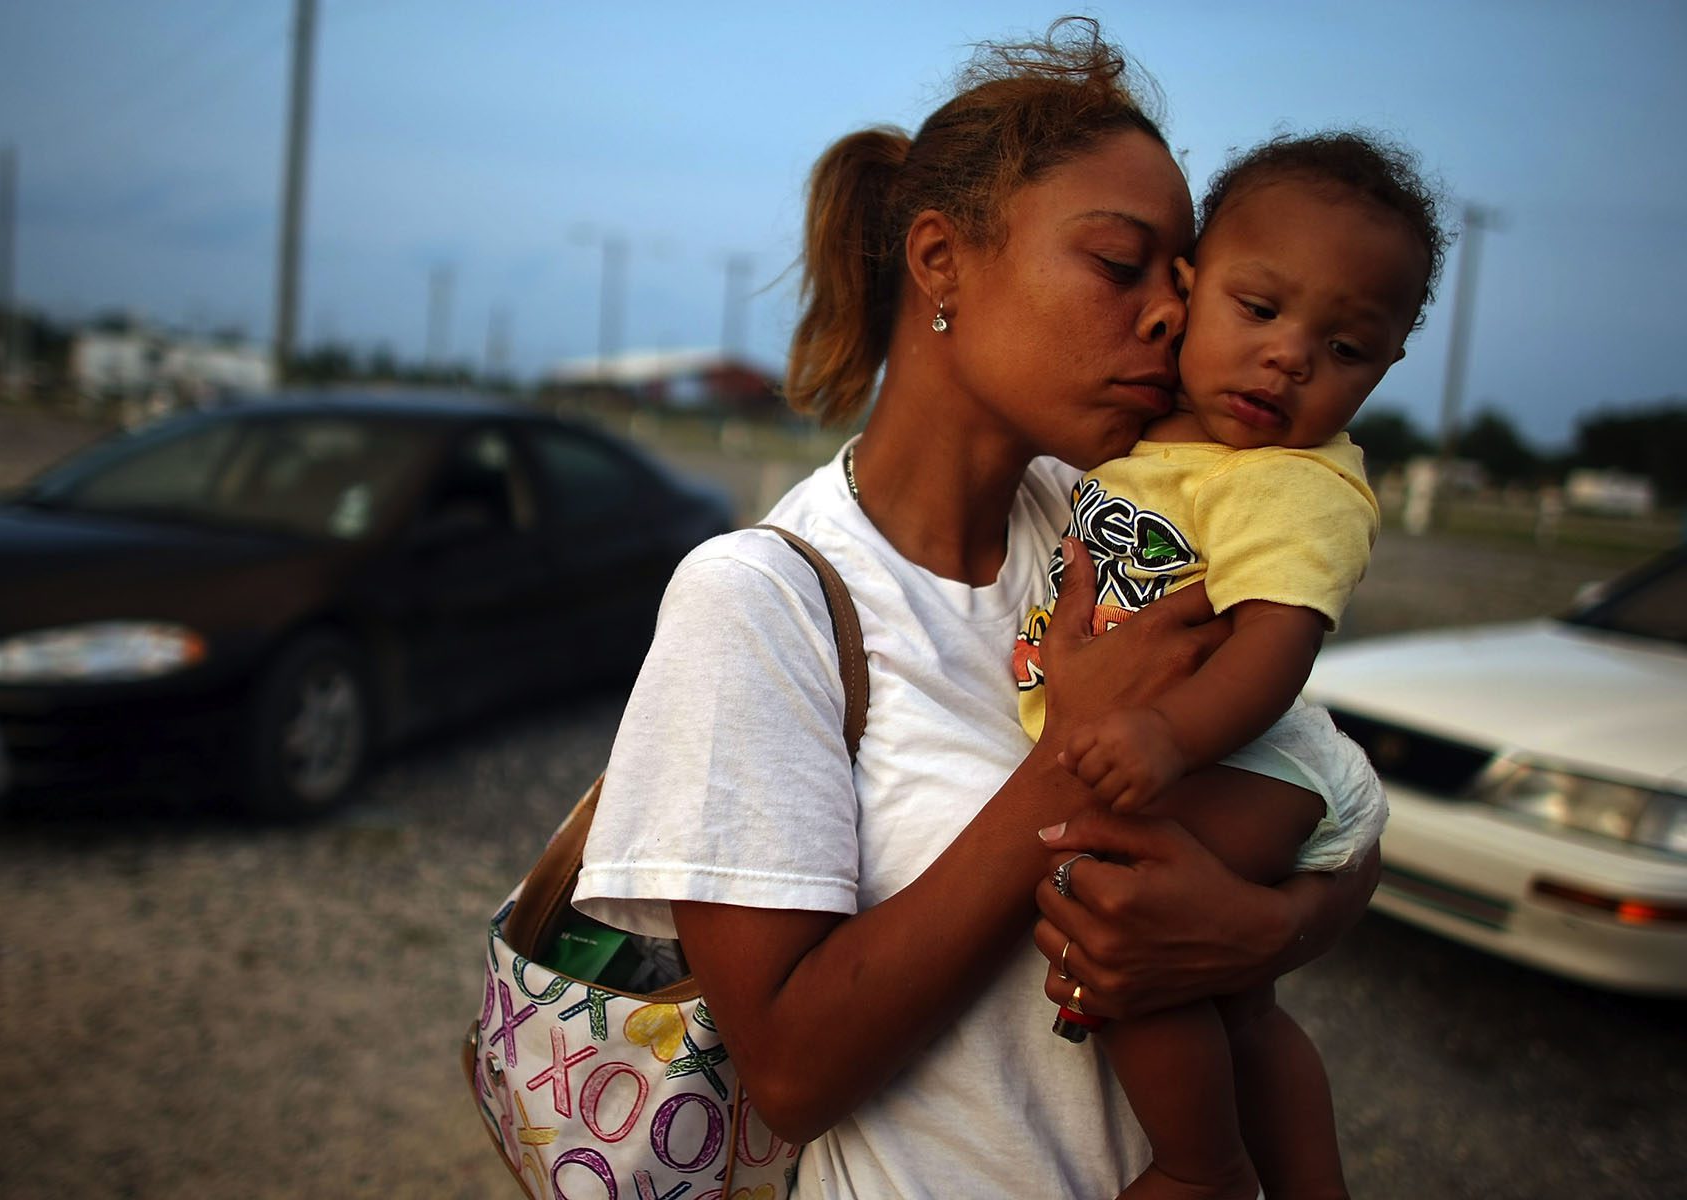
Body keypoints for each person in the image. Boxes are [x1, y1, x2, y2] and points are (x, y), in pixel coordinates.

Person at [573, 18, 1379, 1198]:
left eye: (1183, 280)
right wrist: (1069, 766)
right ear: (940, 261)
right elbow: (790, 1073)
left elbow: (1333, 796)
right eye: (1119, 265)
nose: (1169, 315)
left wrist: (1269, 936)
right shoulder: (763, 601)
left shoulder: (1106, 524)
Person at [1015, 131, 1446, 1197]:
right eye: (1260, 312)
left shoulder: (1291, 485)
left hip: (1257, 754)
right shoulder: (1159, 433)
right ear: (1190, 292)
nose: (1292, 356)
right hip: (1226, 753)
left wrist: (1165, 734)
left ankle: (1200, 1166)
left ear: (1387, 366)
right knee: (1245, 1006)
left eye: (1345, 350)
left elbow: (1275, 651)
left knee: (1112, 900)